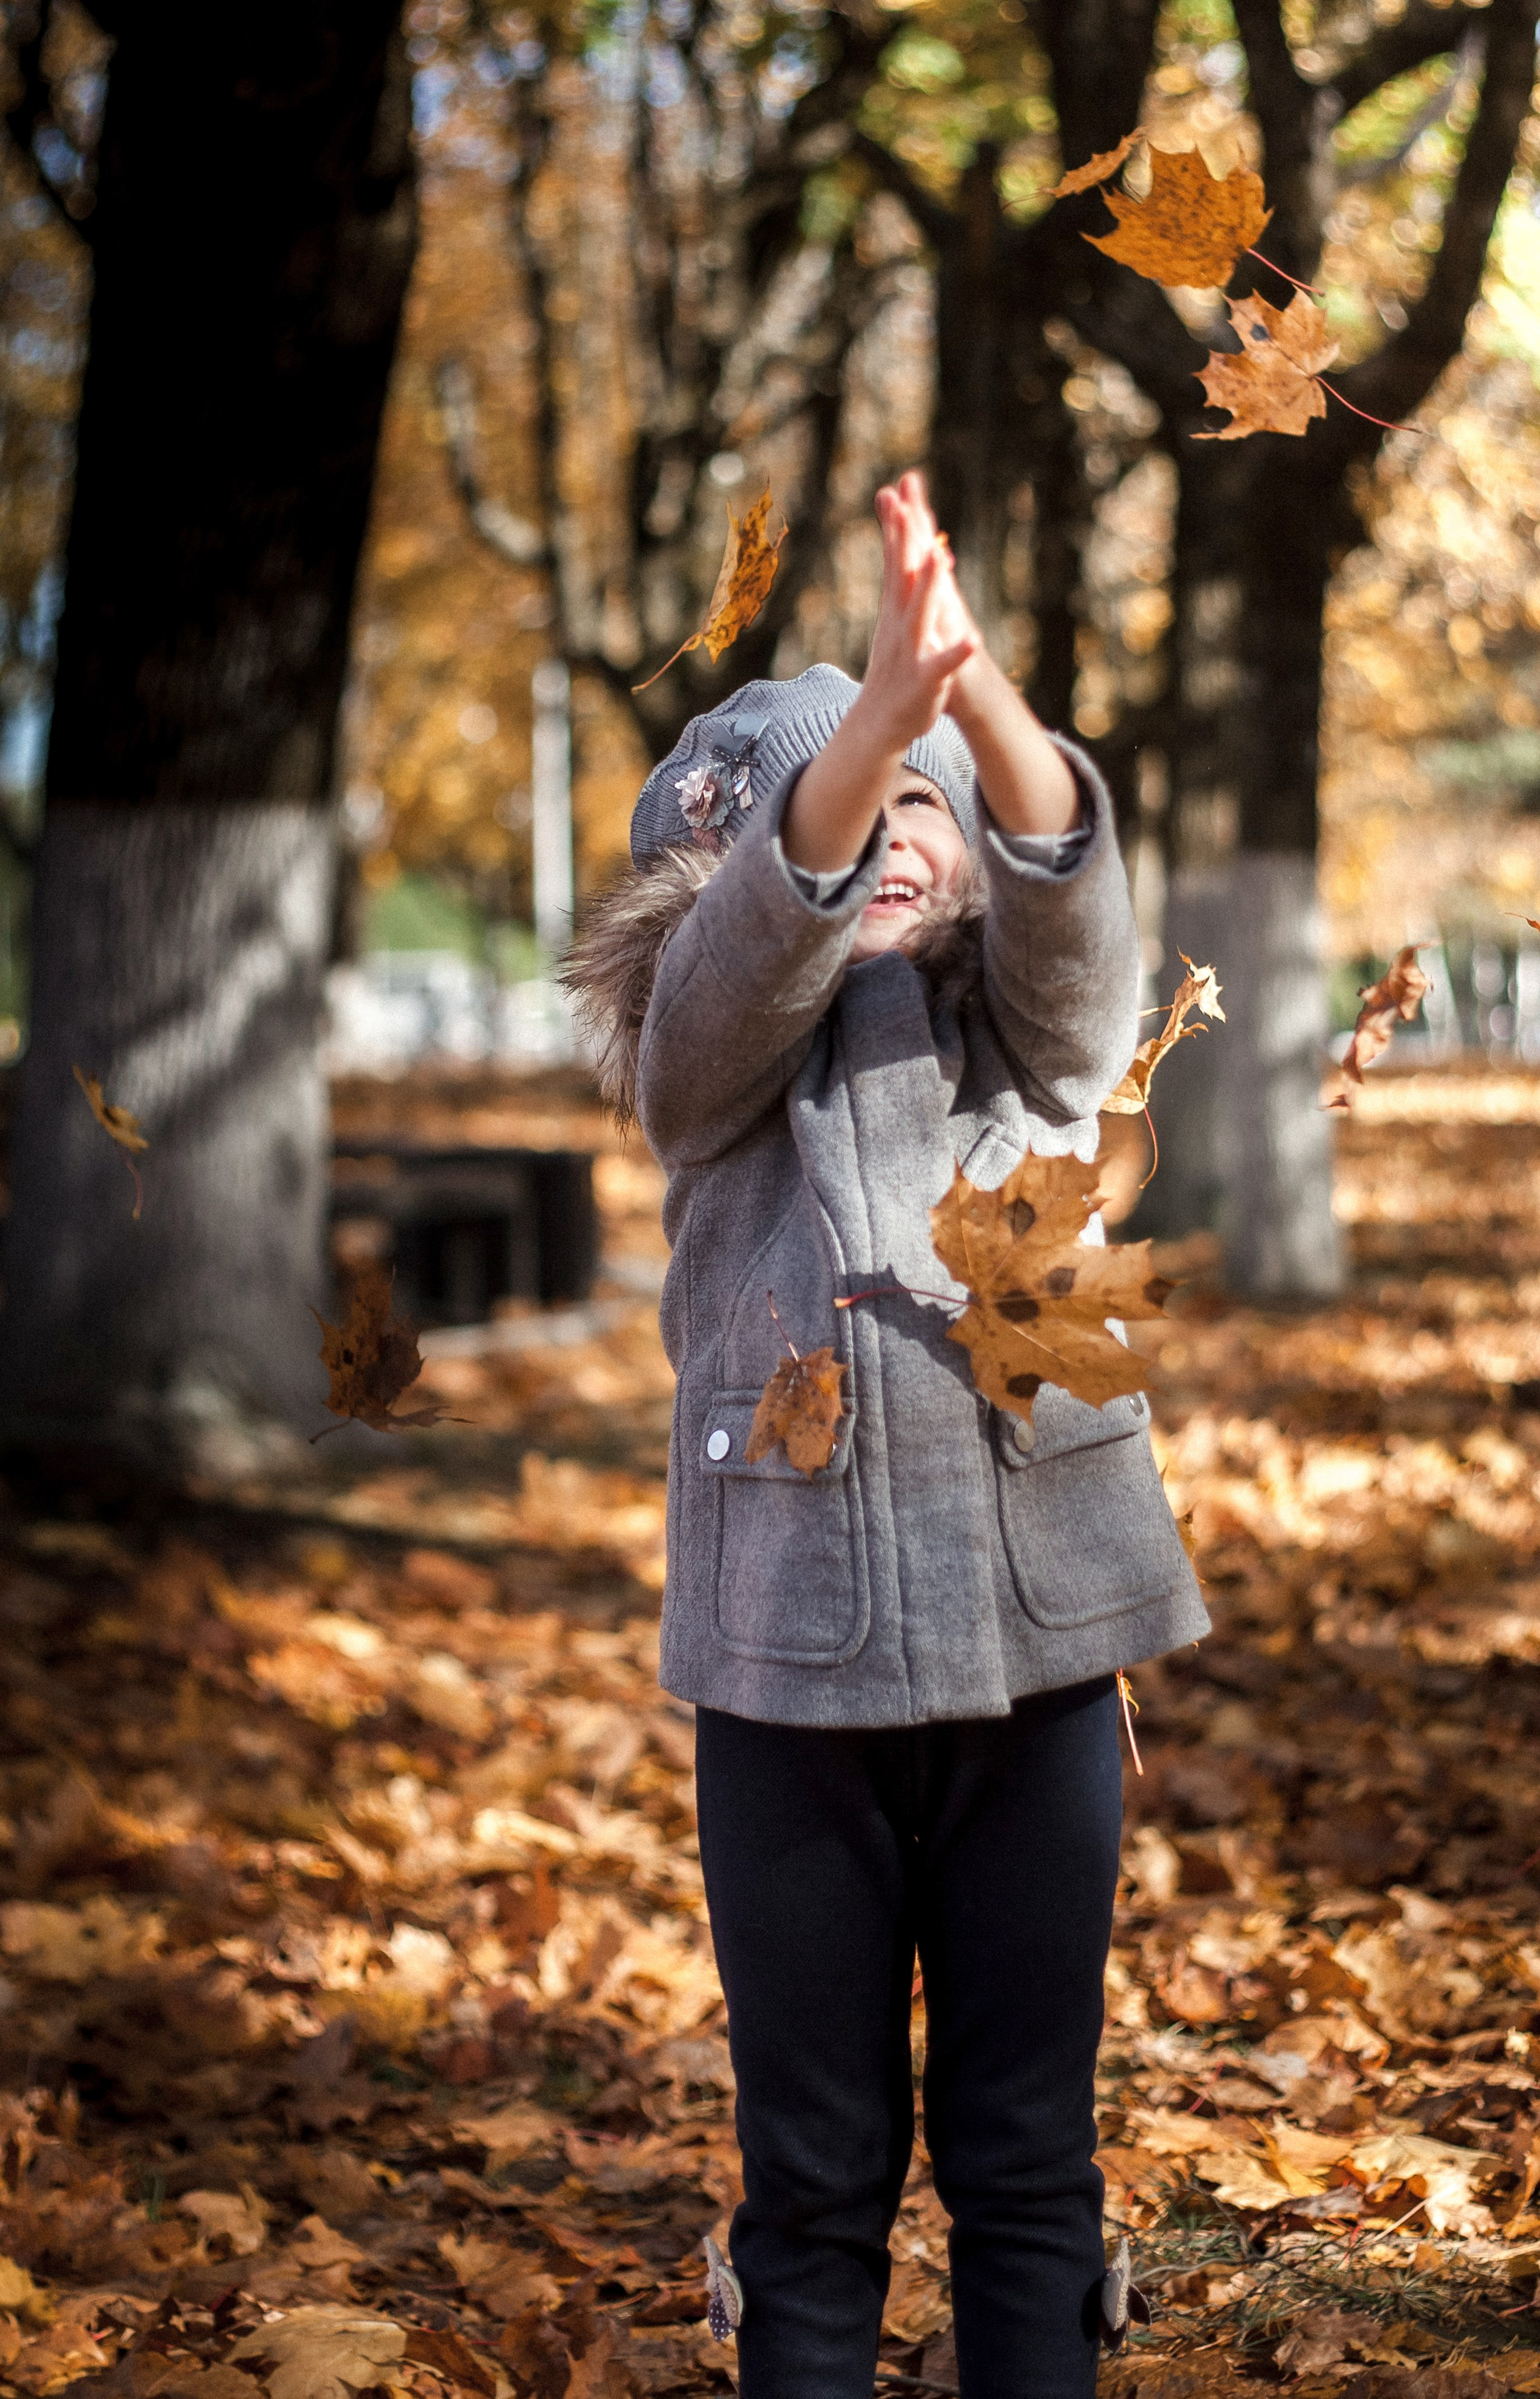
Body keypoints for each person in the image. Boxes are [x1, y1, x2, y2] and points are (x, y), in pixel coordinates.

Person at [568, 472, 1207, 2399]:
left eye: (916, 804)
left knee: (1028, 2163)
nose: (893, 837)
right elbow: (735, 975)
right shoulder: (708, 1075)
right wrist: (859, 737)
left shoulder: (1022, 1037)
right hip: (794, 1700)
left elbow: (1080, 943)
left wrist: (973, 697)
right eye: (849, 816)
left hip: (1039, 1677)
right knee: (817, 2182)